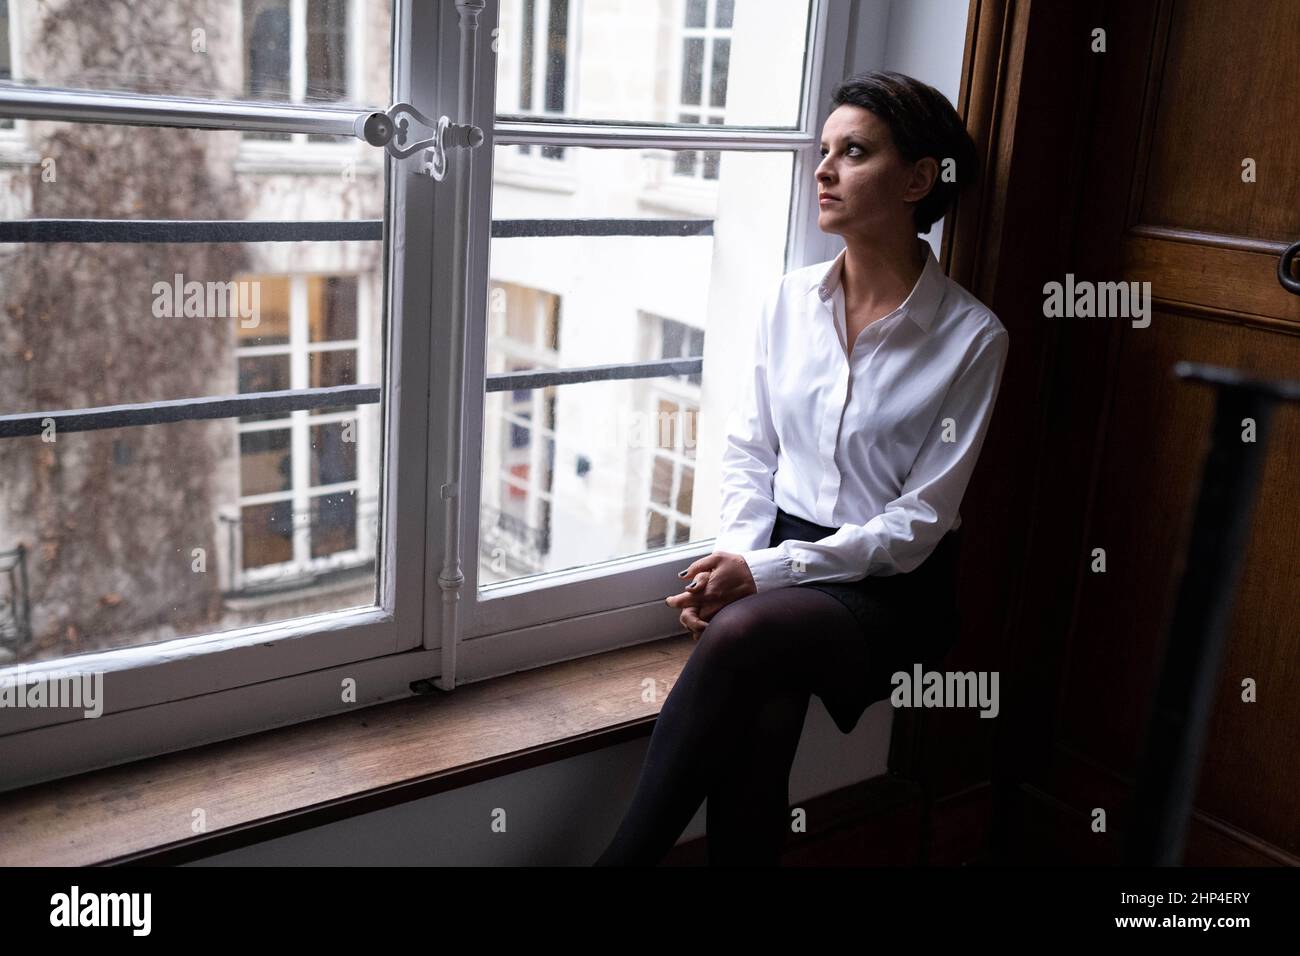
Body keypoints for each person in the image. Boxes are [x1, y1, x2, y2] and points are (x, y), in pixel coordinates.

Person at [594, 70, 1009, 867]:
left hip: (892, 592)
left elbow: (917, 525)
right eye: (823, 150)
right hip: (781, 565)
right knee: (760, 726)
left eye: (853, 152)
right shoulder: (787, 301)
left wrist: (764, 573)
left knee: (747, 634)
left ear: (920, 179)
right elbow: (750, 451)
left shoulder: (972, 338)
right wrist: (744, 558)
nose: (822, 170)